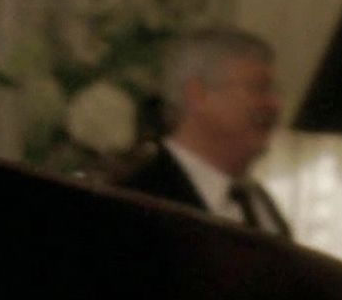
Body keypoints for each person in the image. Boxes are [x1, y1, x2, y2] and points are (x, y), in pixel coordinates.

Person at [119, 26, 292, 238]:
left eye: (275, 91)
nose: (275, 104)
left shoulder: (258, 202)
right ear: (197, 94)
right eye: (259, 88)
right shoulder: (137, 202)